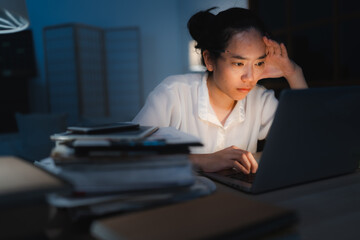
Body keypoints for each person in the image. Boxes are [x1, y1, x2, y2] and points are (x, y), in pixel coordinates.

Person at [133, 7, 307, 175]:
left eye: (258, 63)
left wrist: (293, 73)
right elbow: (127, 154)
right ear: (209, 60)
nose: (250, 77)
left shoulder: (260, 99)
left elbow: (305, 142)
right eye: (239, 63)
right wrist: (201, 160)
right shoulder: (173, 93)